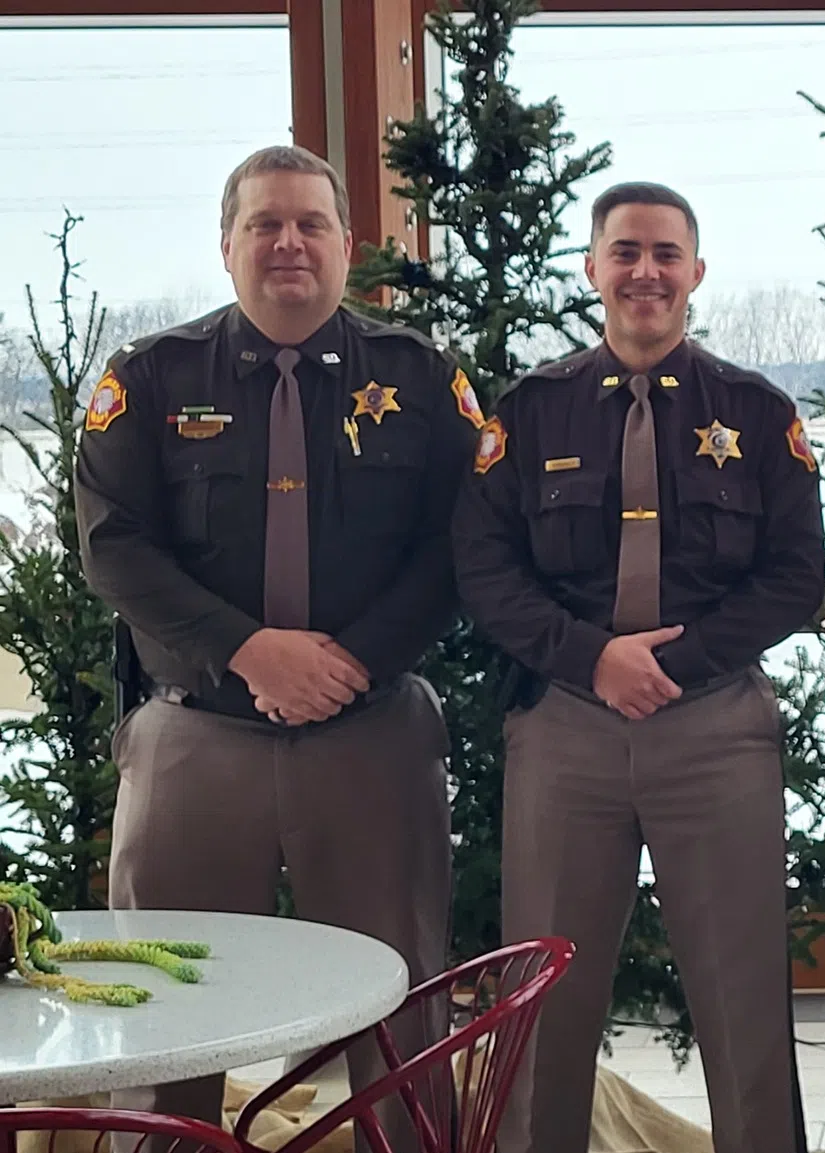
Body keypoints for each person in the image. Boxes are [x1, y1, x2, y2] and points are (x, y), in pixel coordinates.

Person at [74, 144, 471, 1145]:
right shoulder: (151, 377)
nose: (288, 242)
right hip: (195, 735)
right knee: (165, 1017)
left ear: (347, 244)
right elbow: (114, 545)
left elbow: (460, 544)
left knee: (402, 1013)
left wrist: (351, 663)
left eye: (310, 223)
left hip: (372, 733)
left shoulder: (419, 378)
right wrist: (251, 651)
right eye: (265, 224)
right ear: (227, 245)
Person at [453, 181, 823, 1153]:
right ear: (592, 269)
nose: (645, 272)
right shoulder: (530, 415)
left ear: (696, 271)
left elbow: (796, 575)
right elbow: (484, 568)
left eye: (665, 253)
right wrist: (592, 659)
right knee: (543, 999)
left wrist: (674, 664)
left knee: (743, 997)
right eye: (625, 252)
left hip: (714, 724)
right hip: (565, 727)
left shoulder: (756, 413)